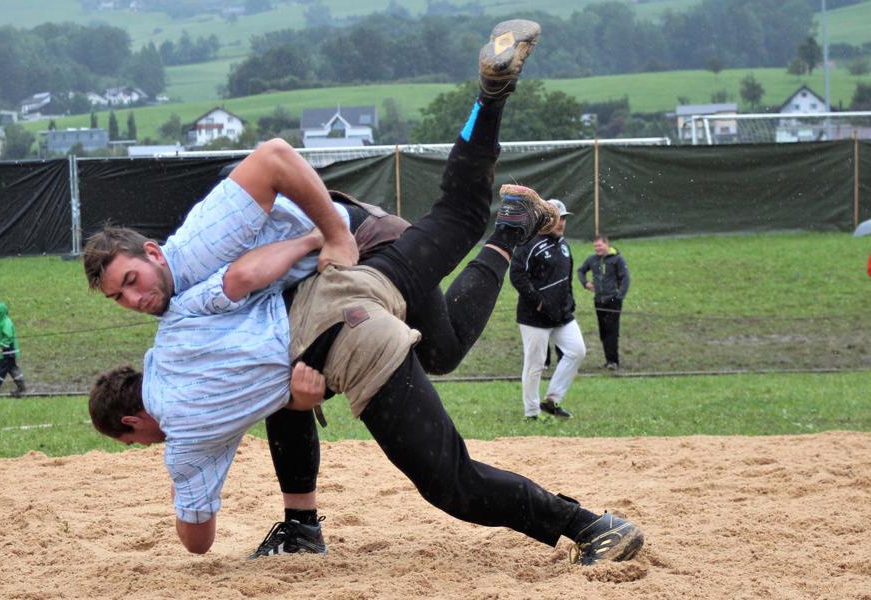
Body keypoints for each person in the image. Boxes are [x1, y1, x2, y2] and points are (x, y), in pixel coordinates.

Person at [88, 19, 643, 566]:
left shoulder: (199, 257)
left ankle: (591, 527)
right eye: (118, 298)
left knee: (451, 480)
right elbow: (242, 287)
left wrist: (325, 233)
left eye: (130, 282)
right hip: (337, 289)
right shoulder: (179, 321)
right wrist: (292, 384)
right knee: (456, 238)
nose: (133, 300)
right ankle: (492, 102)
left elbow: (196, 540)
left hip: (355, 255)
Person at [510, 199, 585, 420]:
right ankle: (531, 412)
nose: (561, 222)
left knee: (576, 351)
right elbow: (516, 275)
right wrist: (539, 301)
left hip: (562, 315)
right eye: (556, 218)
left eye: (563, 218)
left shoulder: (563, 245)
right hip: (534, 317)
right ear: (544, 219)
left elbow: (567, 279)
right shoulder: (528, 243)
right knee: (536, 365)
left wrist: (569, 301)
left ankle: (552, 401)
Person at [578, 235, 631, 370]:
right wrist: (586, 283)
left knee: (612, 331)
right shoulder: (592, 260)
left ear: (607, 244)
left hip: (613, 301)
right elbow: (581, 270)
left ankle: (614, 361)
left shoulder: (617, 259)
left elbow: (625, 278)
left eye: (600, 245)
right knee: (603, 331)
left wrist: (619, 297)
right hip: (598, 301)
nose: (597, 248)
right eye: (595, 246)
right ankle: (608, 360)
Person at [0, 301, 27, 397]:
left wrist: (2, 346)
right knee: (12, 368)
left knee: (0, 370)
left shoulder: (5, 322)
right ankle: (21, 387)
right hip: (9, 351)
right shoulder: (3, 321)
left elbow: (8, 336)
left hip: (7, 351)